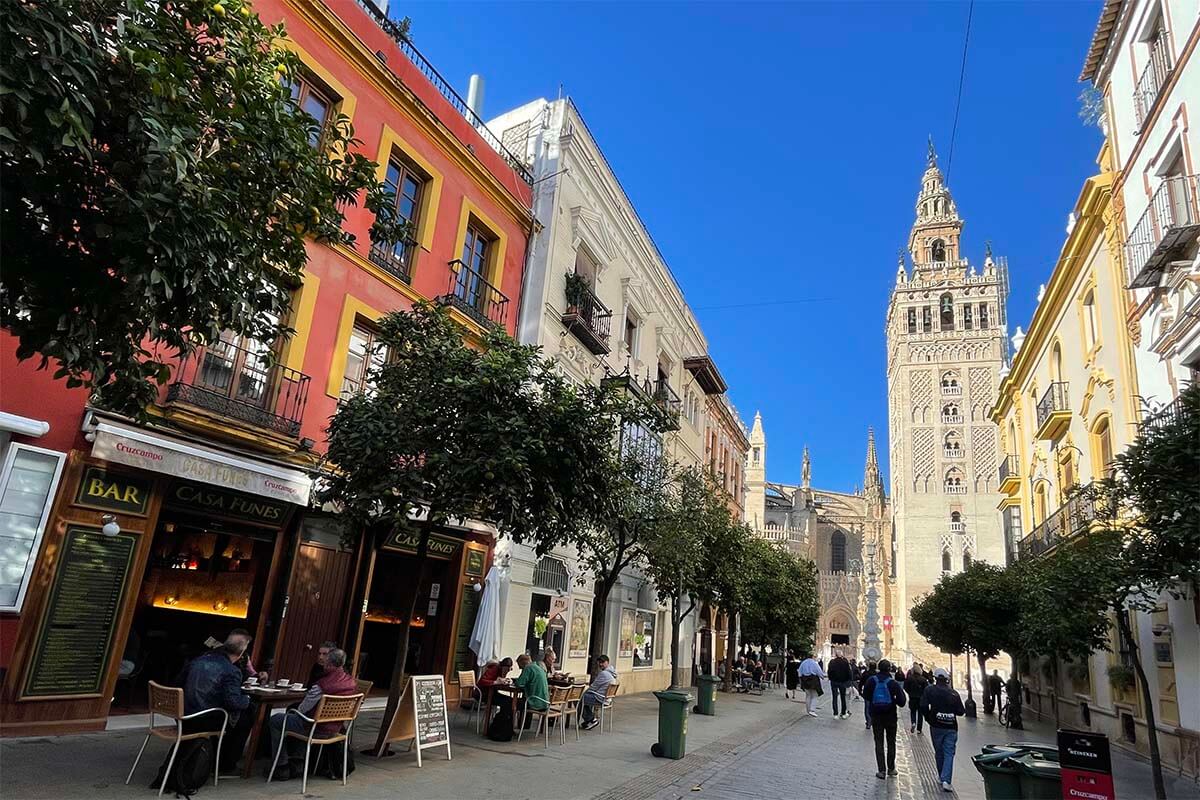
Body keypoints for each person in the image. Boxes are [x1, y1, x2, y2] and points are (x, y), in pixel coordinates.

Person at [268, 647, 357, 780]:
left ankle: (281, 766)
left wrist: (297, 710)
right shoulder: (351, 682)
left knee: (277, 720)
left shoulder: (322, 685)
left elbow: (303, 709)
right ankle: (297, 761)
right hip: (336, 728)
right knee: (295, 718)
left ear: (329, 664)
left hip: (315, 728)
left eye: (325, 660)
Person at [179, 631, 252, 774]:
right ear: (242, 652)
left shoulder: (198, 660)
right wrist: (247, 700)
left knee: (240, 716)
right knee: (246, 716)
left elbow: (178, 683)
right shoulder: (232, 671)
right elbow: (233, 703)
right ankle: (225, 764)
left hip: (184, 715)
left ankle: (216, 759)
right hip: (204, 719)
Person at [919, 667, 966, 792]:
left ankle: (941, 776)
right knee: (949, 752)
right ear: (946, 679)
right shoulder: (954, 693)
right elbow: (961, 711)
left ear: (935, 678)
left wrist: (928, 717)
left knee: (939, 751)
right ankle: (946, 780)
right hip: (951, 727)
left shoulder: (930, 690)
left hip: (936, 726)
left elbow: (923, 705)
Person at [863, 659, 906, 779]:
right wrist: (893, 700)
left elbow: (865, 695)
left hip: (876, 715)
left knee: (879, 742)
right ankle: (891, 768)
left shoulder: (872, 680)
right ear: (889, 669)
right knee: (891, 742)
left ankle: (881, 770)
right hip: (891, 716)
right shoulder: (893, 683)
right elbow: (902, 702)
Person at [580, 655, 618, 730]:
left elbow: (593, 687)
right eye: (599, 663)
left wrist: (584, 692)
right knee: (587, 697)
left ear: (607, 662)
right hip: (608, 699)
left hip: (600, 698)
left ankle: (591, 719)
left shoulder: (604, 674)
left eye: (602, 662)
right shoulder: (613, 673)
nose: (600, 664)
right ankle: (588, 720)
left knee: (580, 698)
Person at [512, 654, 549, 727]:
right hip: (545, 702)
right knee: (524, 699)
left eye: (520, 665)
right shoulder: (538, 667)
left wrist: (513, 681)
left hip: (534, 703)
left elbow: (519, 684)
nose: (520, 668)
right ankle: (525, 725)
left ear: (523, 662)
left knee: (511, 703)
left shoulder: (528, 668)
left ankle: (510, 728)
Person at [798, 652, 826, 717]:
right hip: (813, 680)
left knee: (808, 695)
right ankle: (812, 710)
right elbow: (819, 671)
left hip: (805, 679)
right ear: (813, 657)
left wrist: (800, 680)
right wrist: (822, 677)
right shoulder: (814, 663)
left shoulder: (803, 663)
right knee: (814, 695)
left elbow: (799, 672)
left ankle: (808, 710)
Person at [827, 649, 852, 719]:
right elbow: (849, 672)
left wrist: (831, 678)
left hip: (834, 682)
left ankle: (835, 714)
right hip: (843, 682)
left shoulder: (832, 662)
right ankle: (843, 713)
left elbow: (829, 671)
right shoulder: (845, 662)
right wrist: (848, 680)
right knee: (843, 697)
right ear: (841, 655)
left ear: (835, 655)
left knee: (834, 697)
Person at [904, 663, 928, 733]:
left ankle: (913, 722)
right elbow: (926, 689)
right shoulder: (923, 679)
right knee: (920, 714)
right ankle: (919, 729)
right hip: (921, 698)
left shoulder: (909, 678)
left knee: (913, 711)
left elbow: (905, 687)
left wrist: (910, 693)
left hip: (912, 697)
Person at [859, 661, 876, 728]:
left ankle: (868, 721)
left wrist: (860, 690)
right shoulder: (877, 674)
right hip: (875, 693)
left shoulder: (865, 673)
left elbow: (861, 682)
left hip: (867, 693)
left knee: (867, 707)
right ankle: (872, 720)